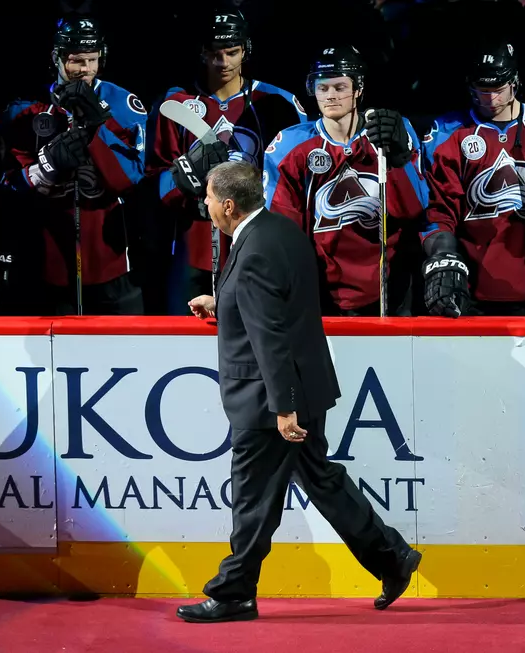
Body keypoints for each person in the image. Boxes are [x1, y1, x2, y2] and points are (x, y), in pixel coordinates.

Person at [181, 161, 422, 623]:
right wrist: (224, 304)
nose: (205, 205)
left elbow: (271, 335)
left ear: (228, 206)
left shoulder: (252, 252)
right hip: (306, 385)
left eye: (209, 198)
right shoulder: (281, 231)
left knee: (254, 498)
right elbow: (279, 303)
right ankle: (392, 557)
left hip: (269, 400)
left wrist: (283, 408)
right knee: (321, 479)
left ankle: (233, 593)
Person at [146, 7, 307, 314]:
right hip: (192, 250)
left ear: (246, 50)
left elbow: (292, 182)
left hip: (256, 247)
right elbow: (156, 183)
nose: (223, 63)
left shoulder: (279, 103)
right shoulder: (175, 104)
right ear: (202, 52)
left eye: (232, 52)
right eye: (214, 53)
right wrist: (185, 178)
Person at [419, 41, 525, 317]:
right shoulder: (448, 133)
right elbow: (438, 210)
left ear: (515, 83)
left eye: (498, 90)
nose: (491, 100)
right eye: (482, 92)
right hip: (471, 288)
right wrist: (444, 254)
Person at [263, 45, 429, 316]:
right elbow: (283, 230)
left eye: (340, 87)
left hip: (389, 285)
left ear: (358, 89)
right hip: (319, 289)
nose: (330, 96)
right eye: (323, 88)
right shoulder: (290, 146)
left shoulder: (391, 130)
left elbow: (414, 209)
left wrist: (399, 160)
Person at [0, 16, 147, 315]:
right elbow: (9, 185)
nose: (86, 70)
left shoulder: (121, 101)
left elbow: (129, 180)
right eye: (77, 61)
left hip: (108, 259)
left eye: (92, 60)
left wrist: (97, 128)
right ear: (57, 58)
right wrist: (47, 166)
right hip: (47, 259)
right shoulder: (27, 109)